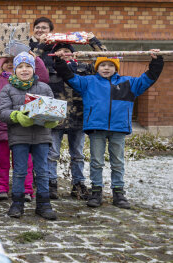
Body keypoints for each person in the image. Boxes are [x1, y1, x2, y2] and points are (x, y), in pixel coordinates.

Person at [53, 50, 164, 209]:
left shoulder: (128, 83)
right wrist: (59, 61)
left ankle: (118, 192)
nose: (106, 68)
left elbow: (148, 79)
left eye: (110, 65)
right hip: (96, 128)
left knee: (117, 162)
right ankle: (96, 191)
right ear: (96, 67)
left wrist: (156, 62)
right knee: (96, 161)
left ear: (116, 68)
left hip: (118, 129)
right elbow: (69, 77)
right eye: (102, 65)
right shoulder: (88, 82)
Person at [0, 51, 49, 202]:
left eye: (13, 61)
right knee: (0, 160)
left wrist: (36, 59)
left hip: (24, 130)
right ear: (1, 65)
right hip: (1, 127)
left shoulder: (32, 83)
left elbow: (44, 78)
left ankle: (26, 190)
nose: (10, 63)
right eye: (7, 61)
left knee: (25, 162)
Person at [0, 52, 58, 220]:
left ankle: (44, 205)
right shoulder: (8, 89)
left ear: (34, 68)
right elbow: (1, 112)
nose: (24, 70)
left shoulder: (44, 88)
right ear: (14, 70)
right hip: (19, 136)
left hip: (41, 136)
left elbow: (53, 108)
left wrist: (52, 120)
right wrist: (17, 116)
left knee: (42, 171)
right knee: (20, 171)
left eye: (28, 66)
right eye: (20, 67)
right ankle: (17, 204)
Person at [45, 39, 105, 200]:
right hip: (55, 118)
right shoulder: (48, 69)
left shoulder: (84, 68)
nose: (64, 54)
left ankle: (78, 184)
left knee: (78, 154)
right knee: (52, 153)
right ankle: (51, 183)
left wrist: (93, 43)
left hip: (78, 116)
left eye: (67, 50)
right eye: (60, 51)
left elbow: (105, 59)